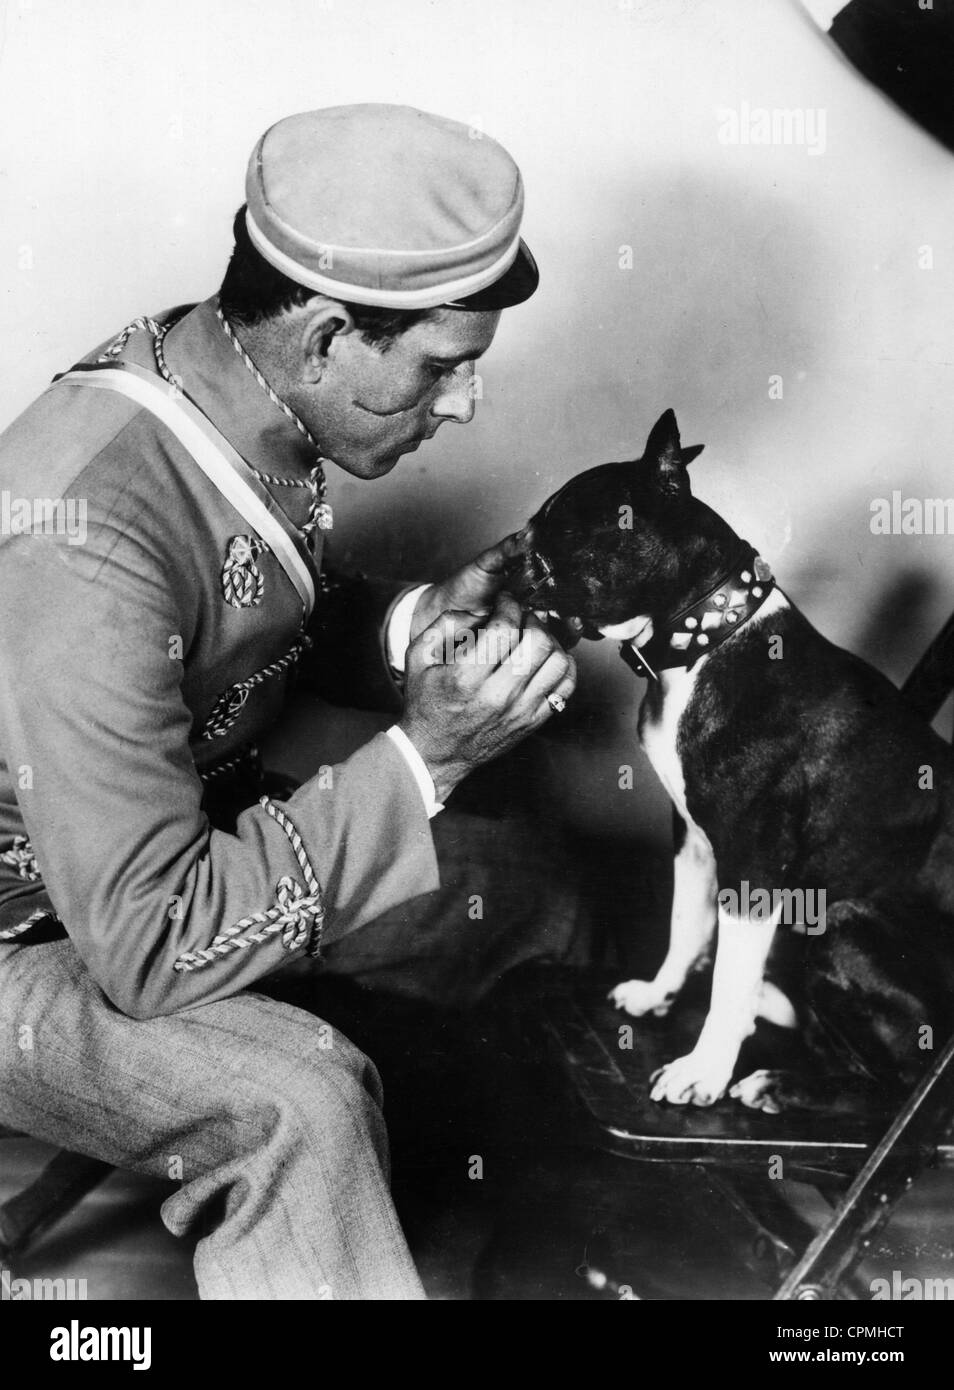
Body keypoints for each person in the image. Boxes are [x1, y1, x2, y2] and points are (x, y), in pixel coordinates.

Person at [0, 104, 575, 1299]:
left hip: (168, 847)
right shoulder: (83, 527)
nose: (465, 404)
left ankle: (525, 1244)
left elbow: (239, 598)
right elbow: (151, 947)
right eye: (443, 365)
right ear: (323, 337)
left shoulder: (220, 370)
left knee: (538, 897)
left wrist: (419, 626)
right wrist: (426, 758)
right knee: (300, 1100)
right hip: (51, 925)